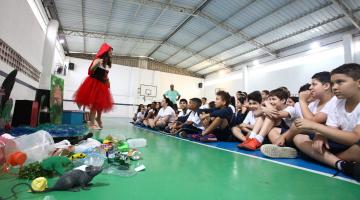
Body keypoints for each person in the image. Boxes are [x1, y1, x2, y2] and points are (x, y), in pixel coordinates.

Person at [293, 64, 360, 181]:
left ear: (358, 82)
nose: (334, 87)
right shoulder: (337, 102)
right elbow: (331, 128)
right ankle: (341, 164)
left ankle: (323, 159)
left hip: (354, 144)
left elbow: (355, 137)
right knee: (299, 138)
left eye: (340, 82)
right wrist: (321, 135)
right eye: (333, 83)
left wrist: (316, 127)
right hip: (341, 143)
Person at [262, 72, 337, 158]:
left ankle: (281, 146)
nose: (310, 87)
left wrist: (302, 100)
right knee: (275, 131)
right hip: (310, 132)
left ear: (326, 86)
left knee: (298, 125)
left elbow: (311, 121)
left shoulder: (334, 101)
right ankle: (285, 149)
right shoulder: (315, 103)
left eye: (314, 84)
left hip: (324, 133)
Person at [74, 43, 114, 129]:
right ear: (106, 52)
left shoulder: (108, 64)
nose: (111, 53)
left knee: (100, 105)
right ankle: (92, 122)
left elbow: (105, 75)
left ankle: (98, 118)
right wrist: (97, 63)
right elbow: (91, 70)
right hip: (94, 83)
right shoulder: (98, 59)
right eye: (110, 51)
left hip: (102, 84)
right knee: (94, 106)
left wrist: (108, 81)